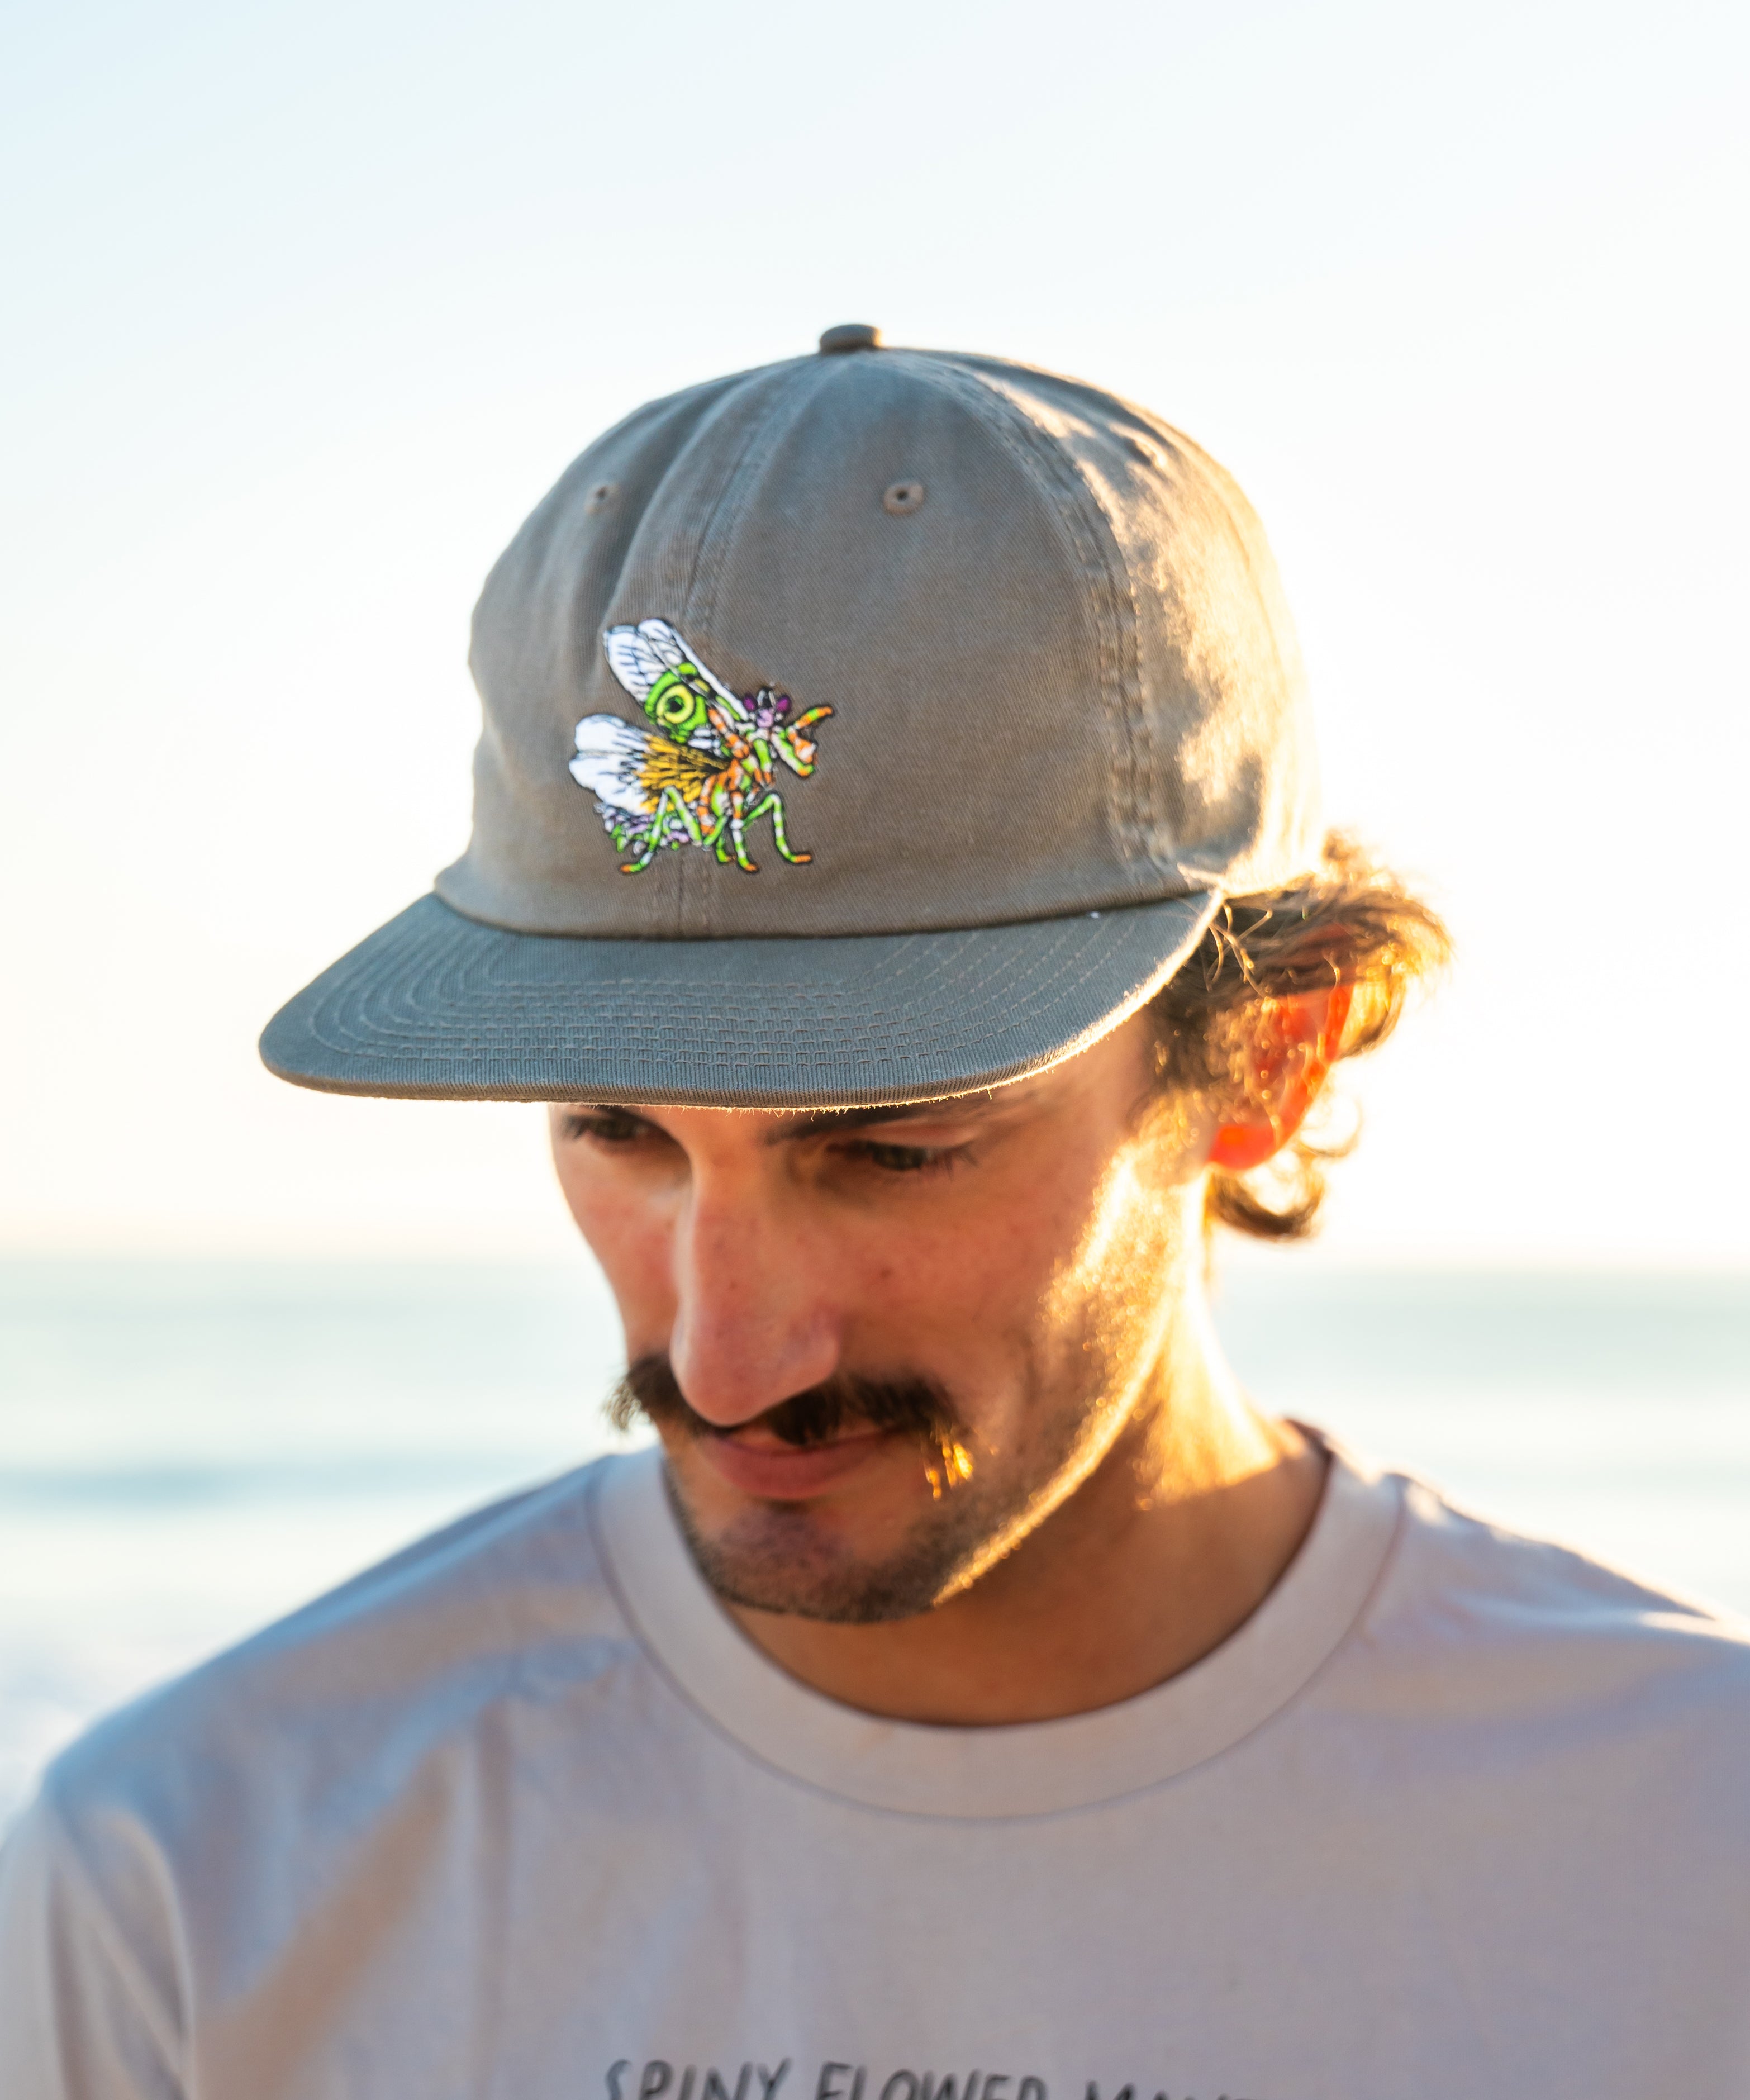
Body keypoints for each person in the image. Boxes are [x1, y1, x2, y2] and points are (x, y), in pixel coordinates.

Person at [3, 326, 1747, 2100]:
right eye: (620, 1133)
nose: (729, 1354)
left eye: (893, 1148)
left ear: (1264, 1063)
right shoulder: (196, 1878)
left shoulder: (1690, 1864)